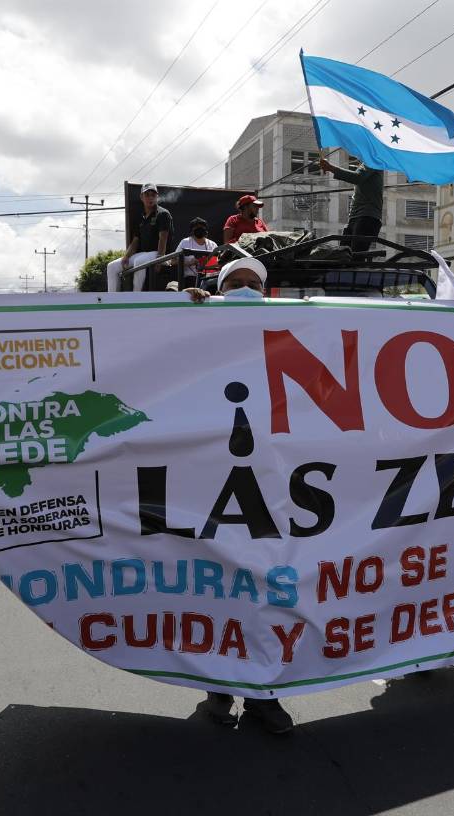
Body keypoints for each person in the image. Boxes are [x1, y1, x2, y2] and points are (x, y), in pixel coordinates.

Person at [184, 257, 293, 733]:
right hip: (208, 488)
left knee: (269, 595)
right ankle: (219, 688)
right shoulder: (194, 325)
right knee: (216, 593)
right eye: (235, 284)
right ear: (217, 287)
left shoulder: (292, 331)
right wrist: (181, 312)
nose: (244, 290)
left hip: (272, 489)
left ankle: (263, 696)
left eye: (253, 284)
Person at [107, 184, 172, 292]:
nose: (150, 198)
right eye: (147, 195)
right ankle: (112, 299)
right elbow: (136, 240)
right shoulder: (140, 216)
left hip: (159, 253)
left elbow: (163, 238)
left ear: (157, 197)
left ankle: (136, 295)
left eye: (153, 195)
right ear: (141, 197)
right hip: (143, 253)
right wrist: (126, 256)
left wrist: (160, 259)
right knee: (112, 266)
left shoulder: (163, 214)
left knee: (139, 261)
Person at [318, 155, 384, 253]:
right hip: (355, 217)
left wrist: (331, 168)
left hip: (366, 217)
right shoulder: (367, 164)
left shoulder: (373, 161)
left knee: (355, 257)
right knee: (343, 255)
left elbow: (356, 177)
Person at [173, 217, 220, 287]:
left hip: (208, 278)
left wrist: (206, 263)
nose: (199, 230)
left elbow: (218, 264)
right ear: (191, 231)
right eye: (197, 228)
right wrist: (190, 262)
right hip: (190, 279)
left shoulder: (212, 244)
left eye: (202, 228)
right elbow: (173, 261)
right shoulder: (185, 242)